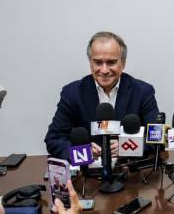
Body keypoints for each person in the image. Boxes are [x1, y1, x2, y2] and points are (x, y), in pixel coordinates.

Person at [45, 31, 159, 160]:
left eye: (111, 62)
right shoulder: (72, 93)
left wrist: (127, 147)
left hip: (128, 170)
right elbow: (54, 139)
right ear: (90, 63)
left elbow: (156, 138)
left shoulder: (143, 92)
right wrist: (83, 153)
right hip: (88, 174)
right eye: (98, 62)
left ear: (123, 63)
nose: (104, 70)